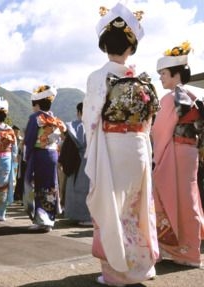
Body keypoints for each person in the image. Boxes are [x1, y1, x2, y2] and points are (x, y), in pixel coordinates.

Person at [82, 3, 160, 286]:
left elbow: (91, 119)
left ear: (104, 45)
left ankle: (115, 273)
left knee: (111, 208)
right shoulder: (143, 79)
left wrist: (95, 146)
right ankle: (141, 267)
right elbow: (150, 118)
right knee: (136, 207)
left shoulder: (97, 77)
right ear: (132, 47)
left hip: (112, 147)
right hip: (138, 145)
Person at [152, 41, 204, 268]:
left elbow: (159, 131)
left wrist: (154, 156)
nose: (161, 78)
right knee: (189, 199)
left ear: (175, 73)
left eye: (163, 73)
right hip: (190, 151)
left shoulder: (170, 98)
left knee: (164, 196)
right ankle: (190, 251)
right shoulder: (197, 94)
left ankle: (172, 247)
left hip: (173, 151)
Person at [23, 85, 66, 232]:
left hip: (39, 154)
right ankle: (49, 219)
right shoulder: (54, 119)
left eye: (33, 105)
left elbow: (29, 139)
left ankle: (41, 220)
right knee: (51, 186)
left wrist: (27, 156)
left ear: (37, 104)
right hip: (52, 154)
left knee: (38, 186)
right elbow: (59, 139)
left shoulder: (35, 118)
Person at [59, 102, 91, 226]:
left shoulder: (76, 125)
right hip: (93, 160)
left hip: (80, 161)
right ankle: (89, 216)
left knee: (79, 189)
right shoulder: (96, 125)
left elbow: (69, 142)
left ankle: (83, 216)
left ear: (79, 112)